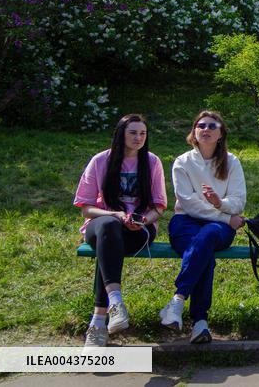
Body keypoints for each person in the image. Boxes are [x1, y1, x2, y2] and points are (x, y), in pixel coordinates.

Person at [74, 114, 167, 347]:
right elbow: (86, 208)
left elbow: (159, 208)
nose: (138, 138)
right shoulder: (100, 161)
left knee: (108, 253)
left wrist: (144, 220)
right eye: (133, 132)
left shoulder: (152, 162)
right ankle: (115, 303)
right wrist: (114, 214)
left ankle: (97, 323)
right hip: (102, 225)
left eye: (143, 133)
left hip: (138, 231)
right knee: (109, 228)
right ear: (121, 134)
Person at [161, 110, 246, 344]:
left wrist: (221, 203)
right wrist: (226, 217)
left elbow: (239, 200)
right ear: (194, 133)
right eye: (201, 126)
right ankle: (200, 323)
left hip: (217, 227)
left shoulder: (232, 162)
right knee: (204, 252)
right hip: (186, 222)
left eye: (212, 126)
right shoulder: (182, 162)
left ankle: (178, 300)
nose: (206, 129)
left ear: (221, 134)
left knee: (208, 236)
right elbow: (188, 203)